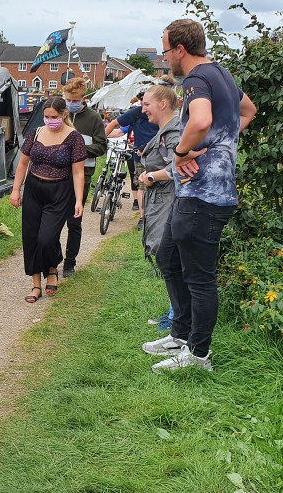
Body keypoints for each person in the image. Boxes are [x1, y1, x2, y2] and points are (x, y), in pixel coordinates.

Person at [143, 19, 257, 372]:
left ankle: (198, 355)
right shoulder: (221, 73)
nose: (165, 60)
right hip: (197, 193)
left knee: (199, 277)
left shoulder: (195, 79)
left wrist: (180, 154)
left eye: (165, 51)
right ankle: (180, 334)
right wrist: (218, 143)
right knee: (168, 257)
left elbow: (201, 120)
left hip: (205, 195)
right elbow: (248, 111)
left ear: (179, 49)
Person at [9, 97, 86, 303]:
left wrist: (79, 200)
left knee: (47, 238)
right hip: (34, 189)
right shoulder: (35, 134)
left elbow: (78, 173)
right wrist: (16, 190)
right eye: (46, 116)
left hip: (60, 191)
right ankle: (35, 285)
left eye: (54, 117)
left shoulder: (74, 138)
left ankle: (53, 268)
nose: (50, 120)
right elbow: (22, 164)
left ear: (64, 115)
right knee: (32, 238)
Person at [137, 82, 182, 332]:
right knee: (168, 258)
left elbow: (178, 167)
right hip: (162, 200)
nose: (143, 109)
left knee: (170, 258)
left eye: (147, 104)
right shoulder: (165, 130)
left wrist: (151, 177)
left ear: (163, 104)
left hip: (169, 201)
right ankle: (175, 312)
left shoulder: (173, 132)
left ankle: (178, 317)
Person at [61, 78, 106, 278]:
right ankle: (54, 258)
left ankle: (70, 262)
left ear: (83, 98)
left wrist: (79, 150)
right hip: (59, 174)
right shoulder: (60, 114)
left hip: (83, 174)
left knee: (74, 221)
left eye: (74, 99)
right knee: (55, 218)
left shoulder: (94, 118)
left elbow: (101, 146)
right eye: (68, 99)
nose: (71, 103)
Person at [106, 91, 161, 225]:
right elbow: (116, 126)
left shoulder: (155, 113)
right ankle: (143, 217)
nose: (144, 108)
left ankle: (150, 217)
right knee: (142, 186)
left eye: (146, 104)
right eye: (142, 103)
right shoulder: (136, 113)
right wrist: (101, 141)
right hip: (141, 155)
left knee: (152, 187)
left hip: (156, 154)